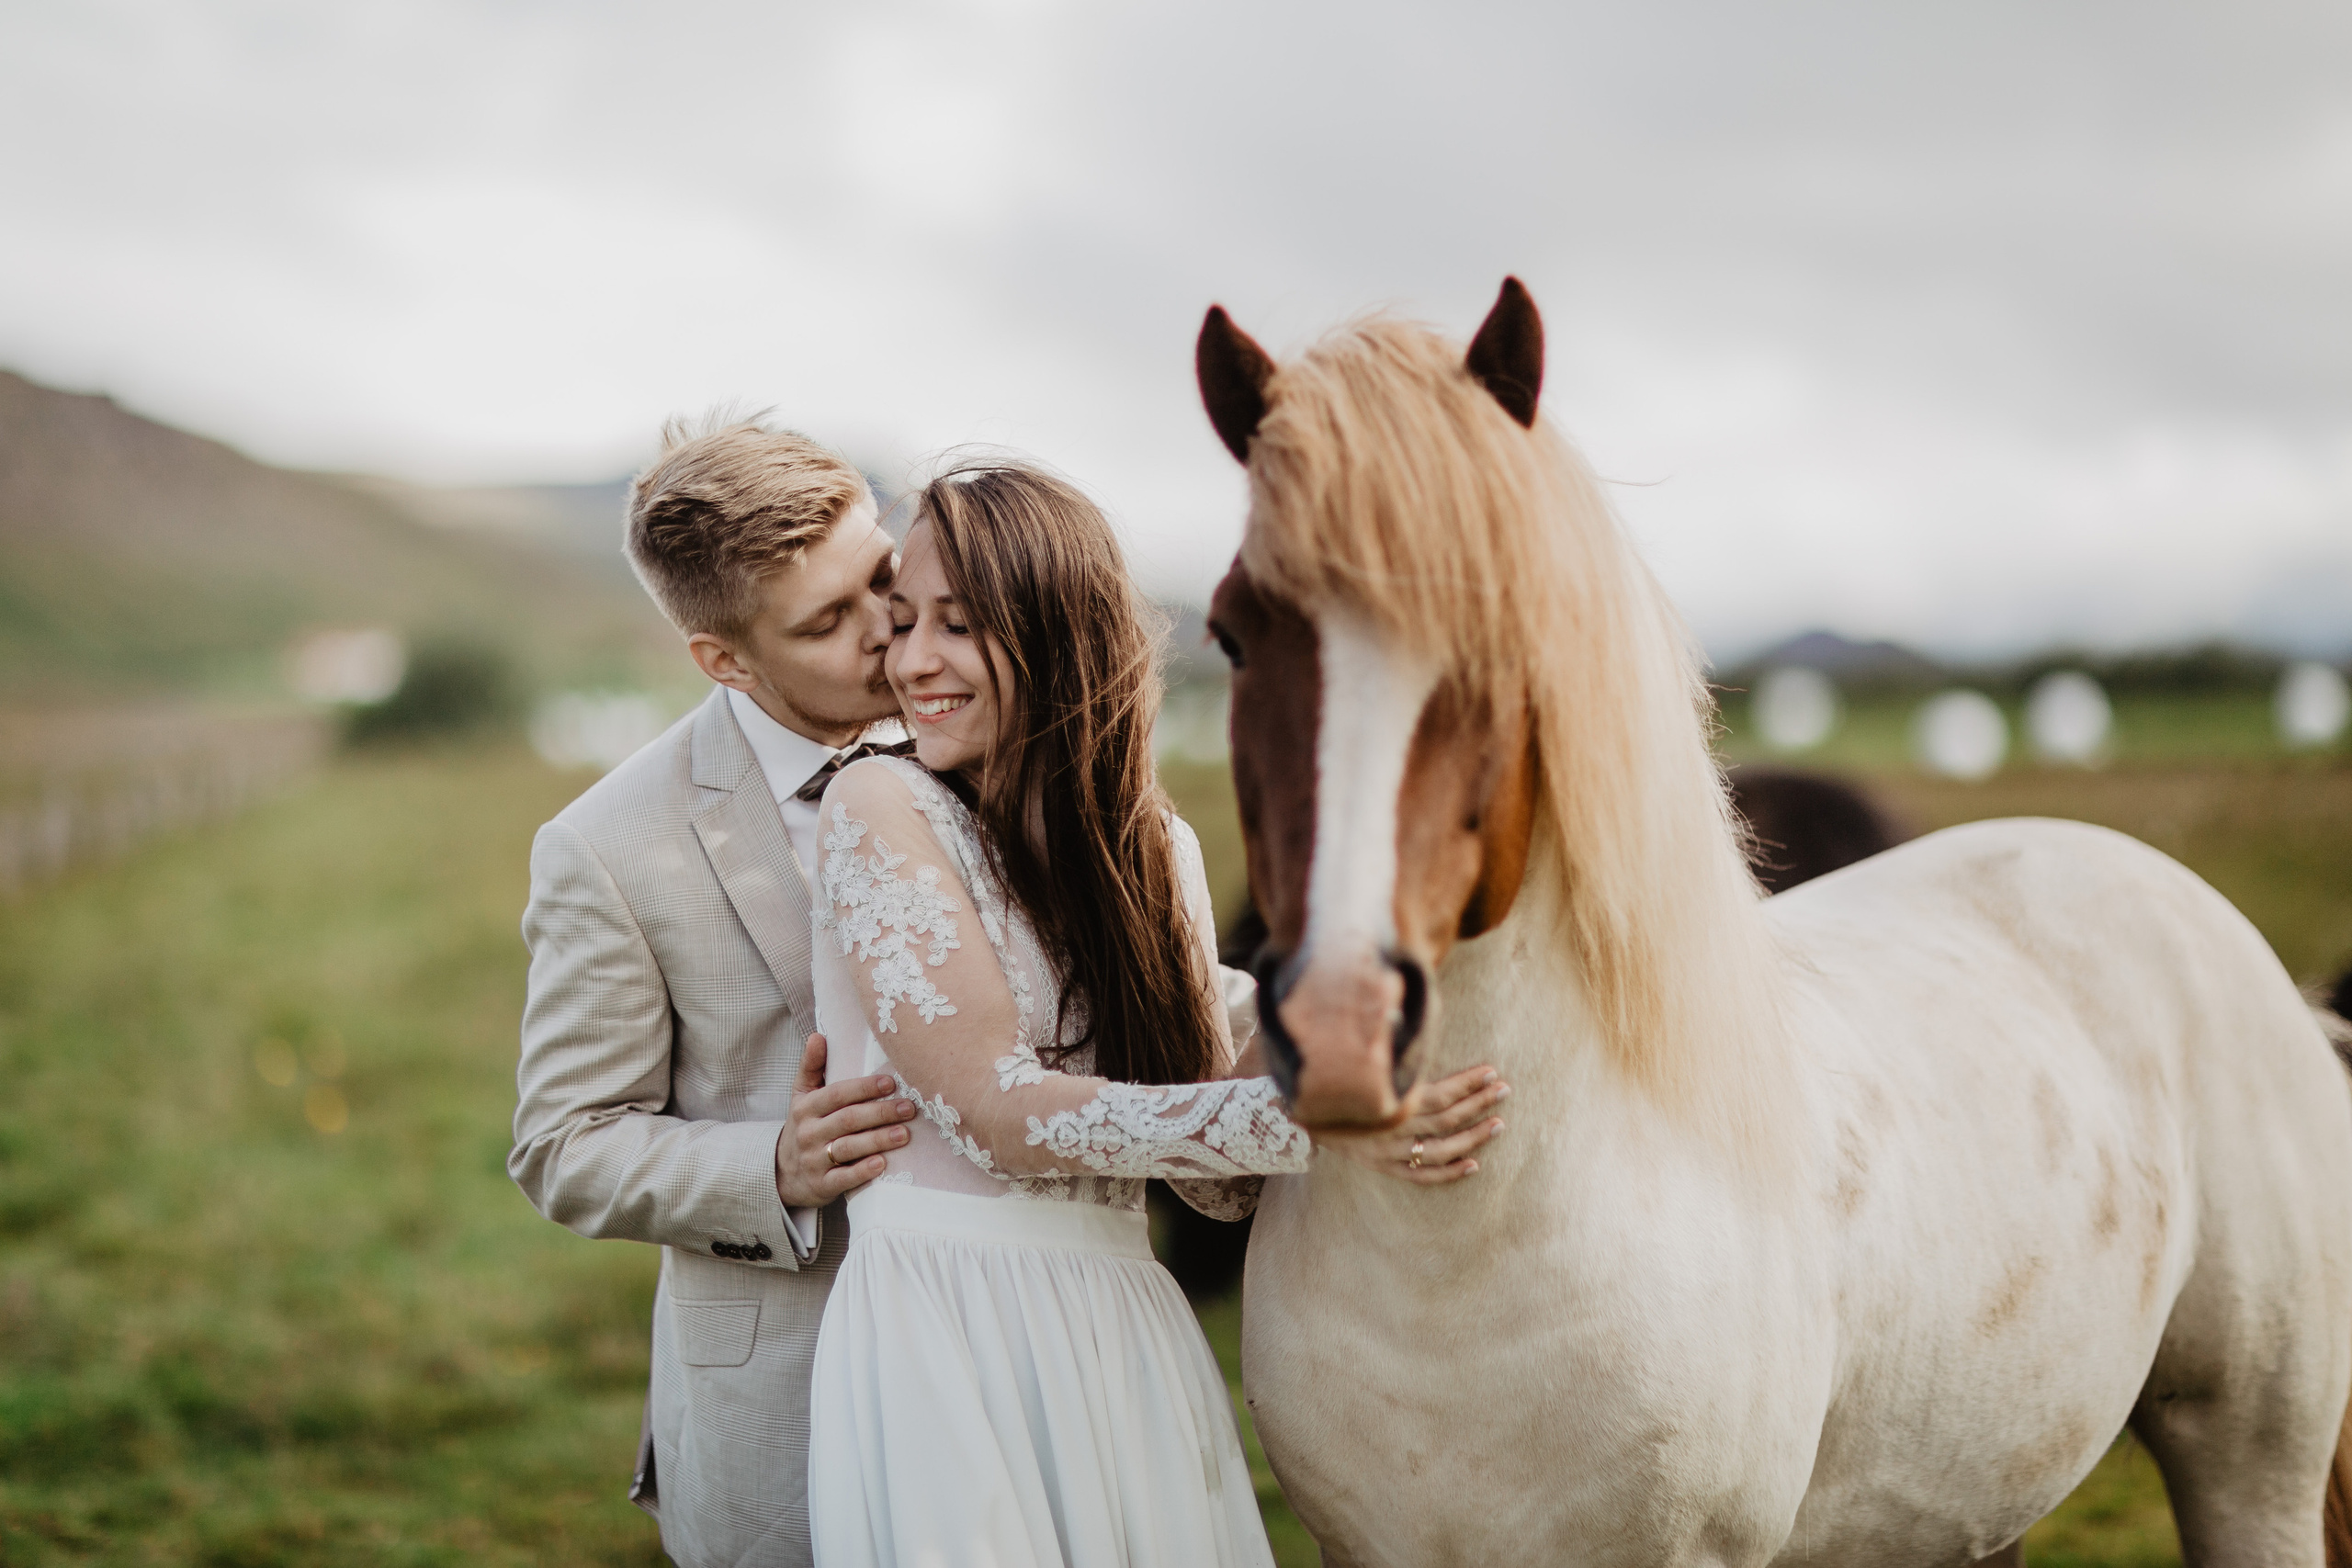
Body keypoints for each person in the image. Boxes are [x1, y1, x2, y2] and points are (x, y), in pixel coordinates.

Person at [805, 462, 1510, 1568]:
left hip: (1126, 1320)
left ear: (1058, 632)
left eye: (958, 624)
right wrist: (1316, 1120)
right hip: (950, 1325)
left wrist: (1353, 1069)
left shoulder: (1156, 850)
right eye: (902, 625)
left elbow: (1215, 1188)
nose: (914, 662)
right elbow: (994, 1111)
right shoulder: (875, 802)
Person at [511, 417, 929, 1568]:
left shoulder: (983, 730)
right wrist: (771, 1169)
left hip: (1008, 1335)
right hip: (780, 1398)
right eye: (824, 624)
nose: (887, 634)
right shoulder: (606, 846)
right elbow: (562, 1144)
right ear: (724, 659)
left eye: (882, 579)